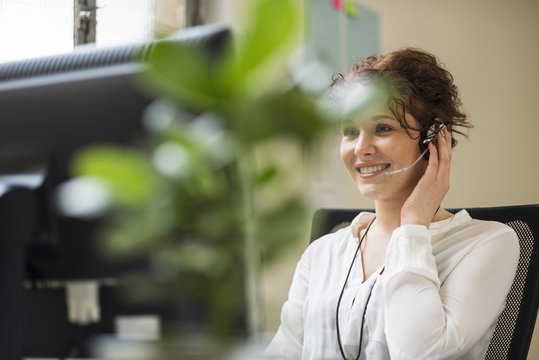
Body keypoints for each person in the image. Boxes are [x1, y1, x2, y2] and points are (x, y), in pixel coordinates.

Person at [265, 48, 520, 359]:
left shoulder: (487, 243)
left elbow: (419, 353)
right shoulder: (322, 253)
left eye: (382, 128)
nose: (361, 148)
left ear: (433, 137)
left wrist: (413, 222)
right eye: (349, 131)